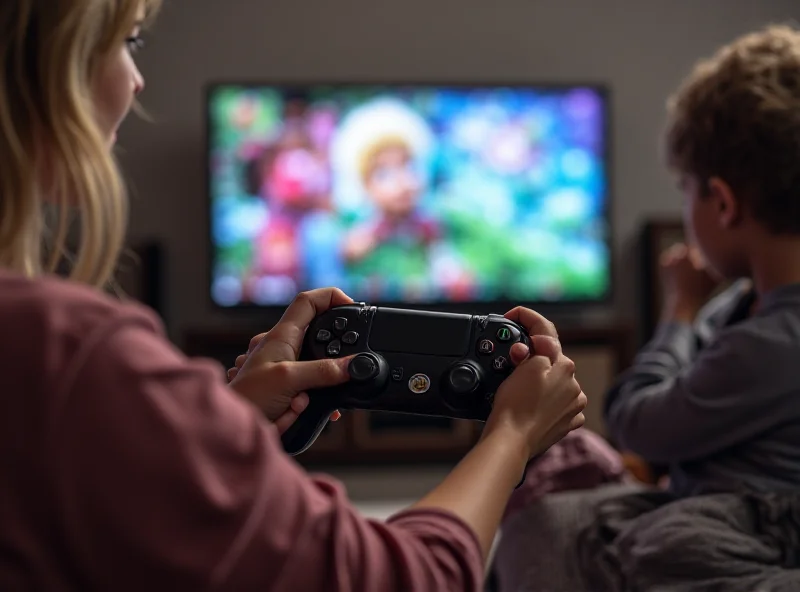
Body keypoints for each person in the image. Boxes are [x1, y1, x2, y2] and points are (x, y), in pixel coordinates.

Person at [0, 1, 587, 590]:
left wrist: (222, 428)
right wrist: (513, 436)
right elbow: (401, 580)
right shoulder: (66, 348)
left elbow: (118, 507)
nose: (138, 79)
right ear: (46, 67)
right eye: (129, 42)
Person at [493, 24, 800, 591]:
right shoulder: (744, 305)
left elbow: (638, 423)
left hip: (748, 525)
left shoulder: (772, 338)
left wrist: (680, 308)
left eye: (686, 188)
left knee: (558, 528)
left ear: (724, 203)